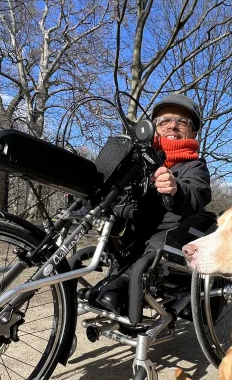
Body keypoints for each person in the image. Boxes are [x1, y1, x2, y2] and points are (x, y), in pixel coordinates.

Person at [85, 93, 213, 320]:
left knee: (156, 244)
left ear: (193, 132)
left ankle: (117, 290)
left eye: (182, 122)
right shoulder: (138, 159)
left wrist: (175, 189)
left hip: (171, 233)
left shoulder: (195, 166)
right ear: (154, 128)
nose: (172, 126)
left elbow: (198, 195)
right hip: (135, 229)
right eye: (164, 121)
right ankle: (112, 288)